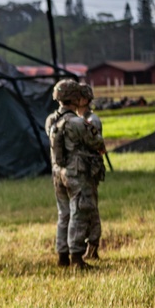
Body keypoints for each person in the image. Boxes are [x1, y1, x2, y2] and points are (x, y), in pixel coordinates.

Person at [45, 79, 105, 269]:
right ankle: (77, 258)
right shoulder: (78, 122)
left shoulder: (51, 121)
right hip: (76, 173)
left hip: (57, 172)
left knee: (64, 214)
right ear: (74, 98)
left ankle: (62, 256)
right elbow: (97, 142)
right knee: (79, 212)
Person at [77, 83, 108, 260]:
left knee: (91, 208)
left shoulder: (91, 120)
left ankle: (93, 246)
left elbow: (95, 144)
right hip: (82, 170)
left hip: (90, 170)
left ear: (85, 99)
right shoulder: (78, 118)